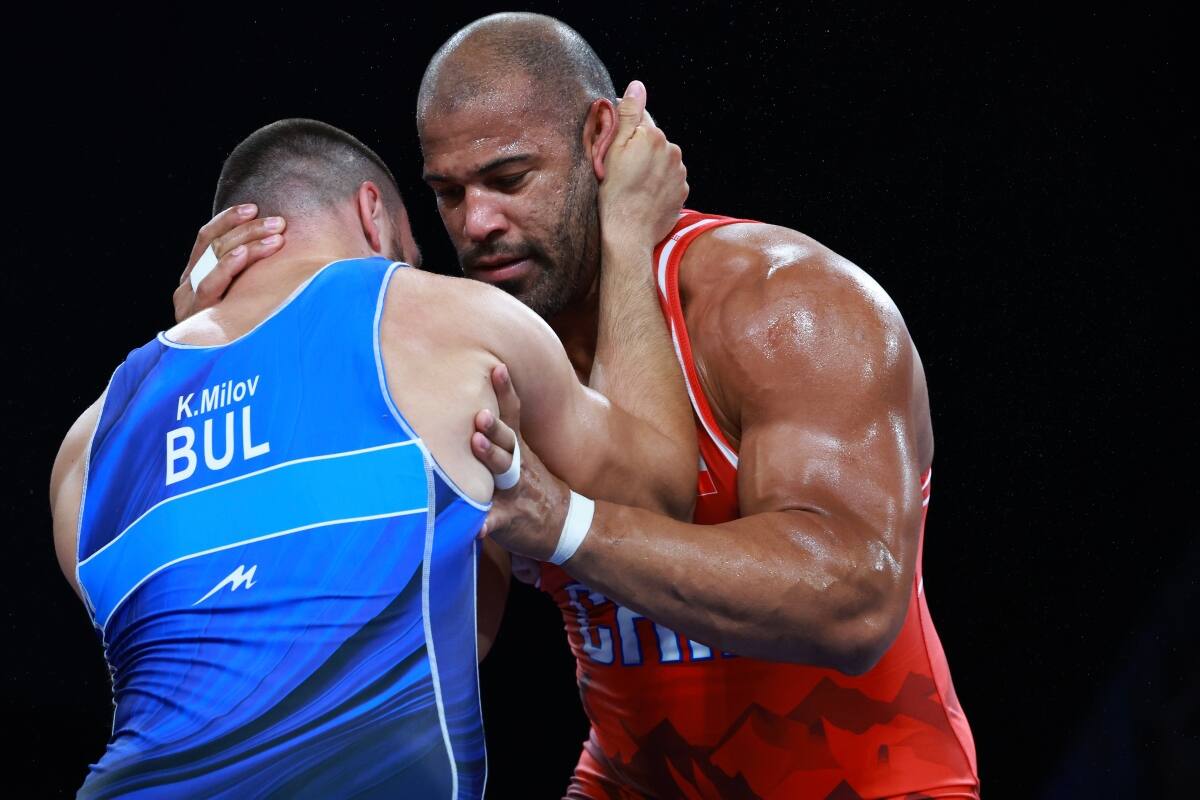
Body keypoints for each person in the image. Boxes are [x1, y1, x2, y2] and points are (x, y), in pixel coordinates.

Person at [182, 13, 979, 799]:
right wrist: (230, 356)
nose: (477, 223)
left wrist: (564, 522)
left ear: (602, 138)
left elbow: (854, 600)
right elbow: (443, 633)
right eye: (448, 194)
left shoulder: (780, 303)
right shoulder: (475, 347)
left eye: (508, 179)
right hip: (633, 777)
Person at [50, 93, 694, 797]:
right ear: (371, 213)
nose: (414, 266)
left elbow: (415, 639)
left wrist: (489, 499)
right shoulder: (446, 319)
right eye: (411, 251)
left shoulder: (87, 447)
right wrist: (629, 235)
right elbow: (663, 494)